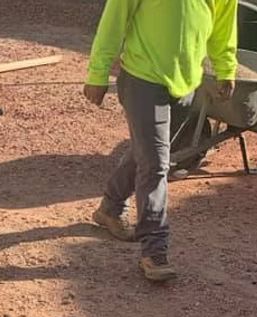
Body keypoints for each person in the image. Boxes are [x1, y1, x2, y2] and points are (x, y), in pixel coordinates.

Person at [84, 0, 238, 281]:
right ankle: (155, 250)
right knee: (156, 163)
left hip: (187, 83)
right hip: (142, 78)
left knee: (148, 153)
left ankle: (110, 207)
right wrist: (98, 72)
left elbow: (223, 25)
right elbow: (114, 21)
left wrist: (226, 67)